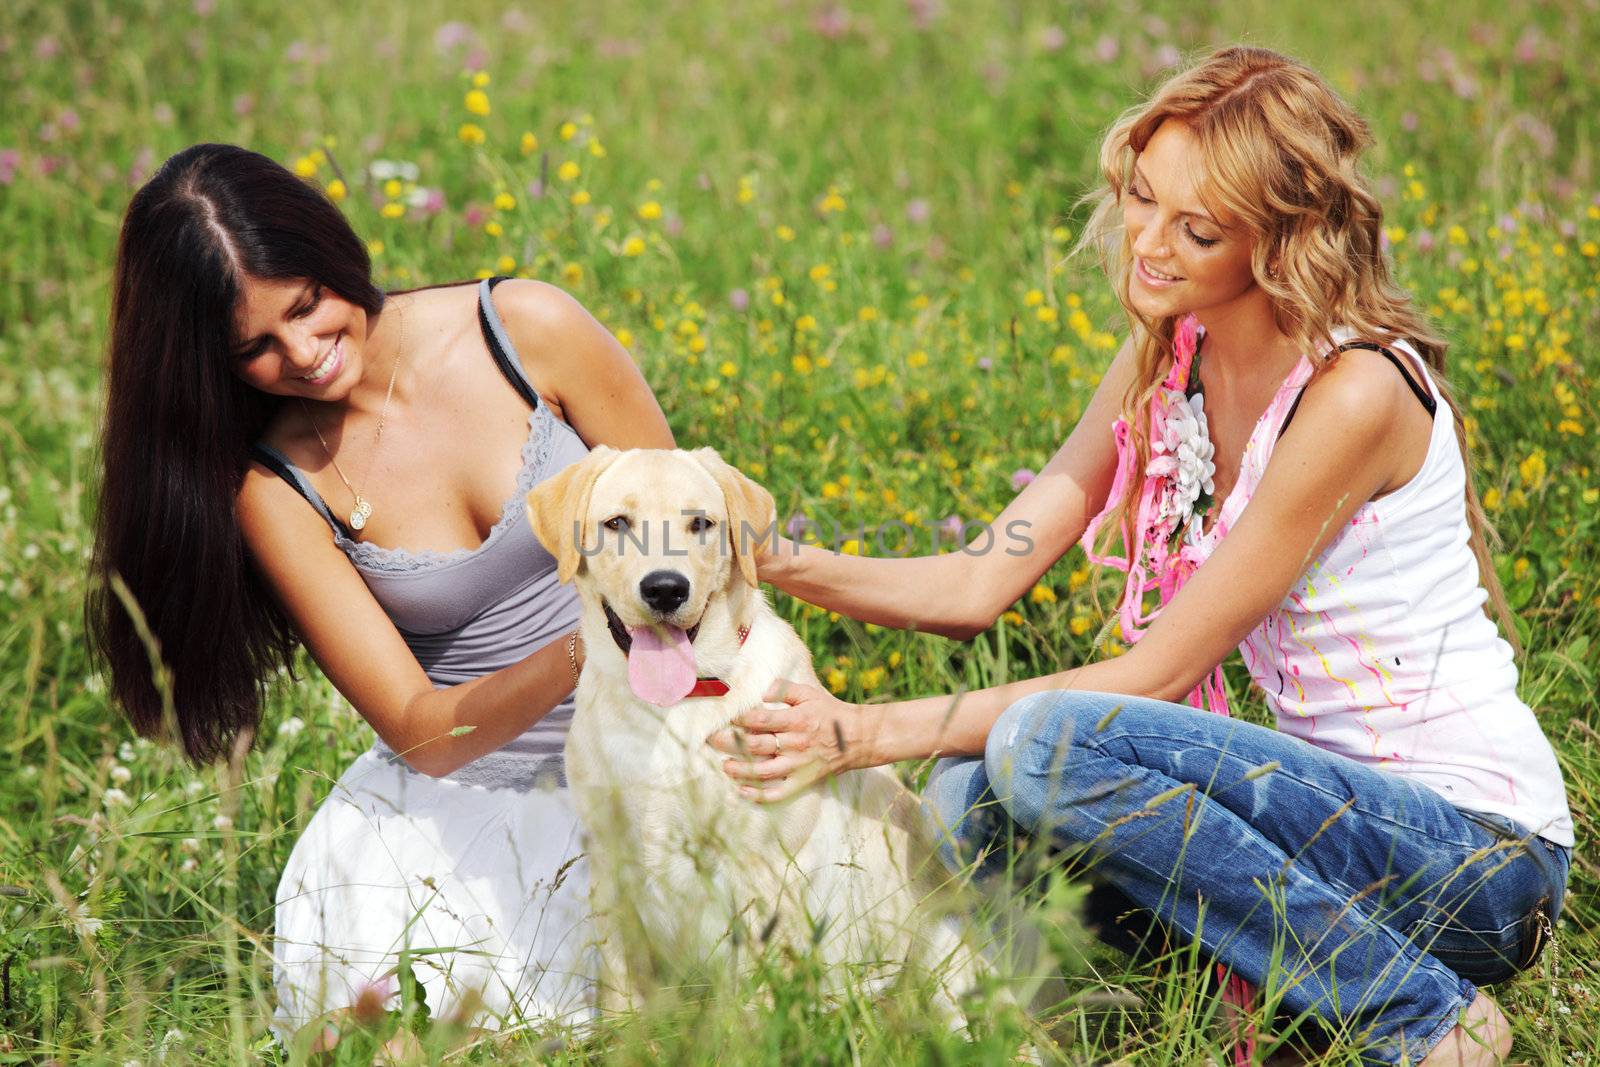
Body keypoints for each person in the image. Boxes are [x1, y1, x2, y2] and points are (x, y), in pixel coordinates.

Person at [707, 46, 1573, 1066]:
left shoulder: (1354, 393)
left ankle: (1423, 1018)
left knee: (1039, 743)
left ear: (1277, 240)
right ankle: (1153, 1027)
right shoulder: (1171, 350)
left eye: (1196, 229)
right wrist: (764, 556)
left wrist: (859, 731)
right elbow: (980, 576)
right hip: (1322, 830)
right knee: (963, 799)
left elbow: (1154, 675)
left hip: (1473, 858)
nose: (1148, 246)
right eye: (1140, 197)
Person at [86, 143, 674, 1047]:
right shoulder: (276, 491)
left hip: (660, 747)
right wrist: (584, 646)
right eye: (255, 348)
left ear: (332, 252)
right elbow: (423, 732)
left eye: (307, 306)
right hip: (477, 808)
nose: (306, 355)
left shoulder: (524, 328)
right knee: (414, 1032)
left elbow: (688, 529)